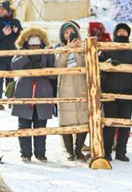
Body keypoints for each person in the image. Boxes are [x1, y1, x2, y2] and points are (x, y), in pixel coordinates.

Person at [98, 23, 132, 162]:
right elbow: (98, 63)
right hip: (110, 93)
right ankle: (106, 152)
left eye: (125, 31)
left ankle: (121, 152)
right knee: (110, 125)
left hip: (127, 93)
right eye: (120, 31)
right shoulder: (108, 48)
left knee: (124, 125)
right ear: (115, 33)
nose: (122, 33)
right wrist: (108, 62)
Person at [11, 28, 56, 162]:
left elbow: (54, 74)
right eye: (32, 45)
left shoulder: (48, 53)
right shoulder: (21, 52)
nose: (34, 47)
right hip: (24, 91)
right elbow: (15, 66)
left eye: (37, 45)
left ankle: (40, 153)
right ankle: (25, 153)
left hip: (43, 92)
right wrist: (27, 56)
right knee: (23, 125)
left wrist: (43, 70)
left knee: (40, 125)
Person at [55, 21, 89, 161]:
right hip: (66, 89)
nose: (69, 35)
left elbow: (89, 64)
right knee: (67, 119)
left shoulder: (84, 48)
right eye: (66, 32)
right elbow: (58, 66)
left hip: (82, 87)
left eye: (72, 32)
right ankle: (69, 151)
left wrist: (81, 49)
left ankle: (78, 149)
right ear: (62, 36)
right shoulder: (59, 49)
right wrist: (67, 50)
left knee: (83, 119)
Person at [0, 2, 22, 106]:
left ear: (8, 11)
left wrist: (18, 32)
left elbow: (22, 38)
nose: (1, 11)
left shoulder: (15, 22)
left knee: (10, 78)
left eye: (3, 9)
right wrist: (2, 34)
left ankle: (10, 100)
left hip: (12, 55)